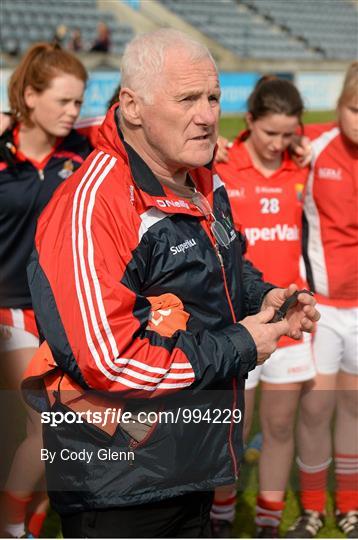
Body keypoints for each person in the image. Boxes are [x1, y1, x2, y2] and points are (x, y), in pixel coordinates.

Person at [23, 29, 319, 538]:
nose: (207, 115)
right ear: (133, 106)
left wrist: (262, 295)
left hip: (189, 464)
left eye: (213, 97)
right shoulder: (95, 205)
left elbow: (223, 265)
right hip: (120, 482)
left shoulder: (201, 174)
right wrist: (242, 344)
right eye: (187, 99)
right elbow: (110, 359)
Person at [213, 77, 315, 538]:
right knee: (232, 428)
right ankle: (219, 515)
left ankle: (269, 522)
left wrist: (305, 145)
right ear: (248, 121)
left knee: (277, 427)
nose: (278, 144)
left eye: (288, 135)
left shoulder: (302, 165)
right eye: (269, 133)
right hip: (241, 320)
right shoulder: (220, 164)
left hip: (291, 319)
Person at [0, 43, 90, 538]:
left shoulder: (81, 149)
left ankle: (30, 526)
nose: (73, 113)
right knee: (42, 429)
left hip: (59, 311)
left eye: (79, 103)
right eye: (63, 102)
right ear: (30, 97)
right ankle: (11, 524)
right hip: (9, 313)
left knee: (58, 432)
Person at [286, 62, 358, 539]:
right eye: (356, 108)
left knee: (353, 409)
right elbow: (264, 143)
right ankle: (312, 508)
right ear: (339, 106)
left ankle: (350, 507)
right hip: (324, 309)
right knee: (316, 410)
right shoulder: (315, 146)